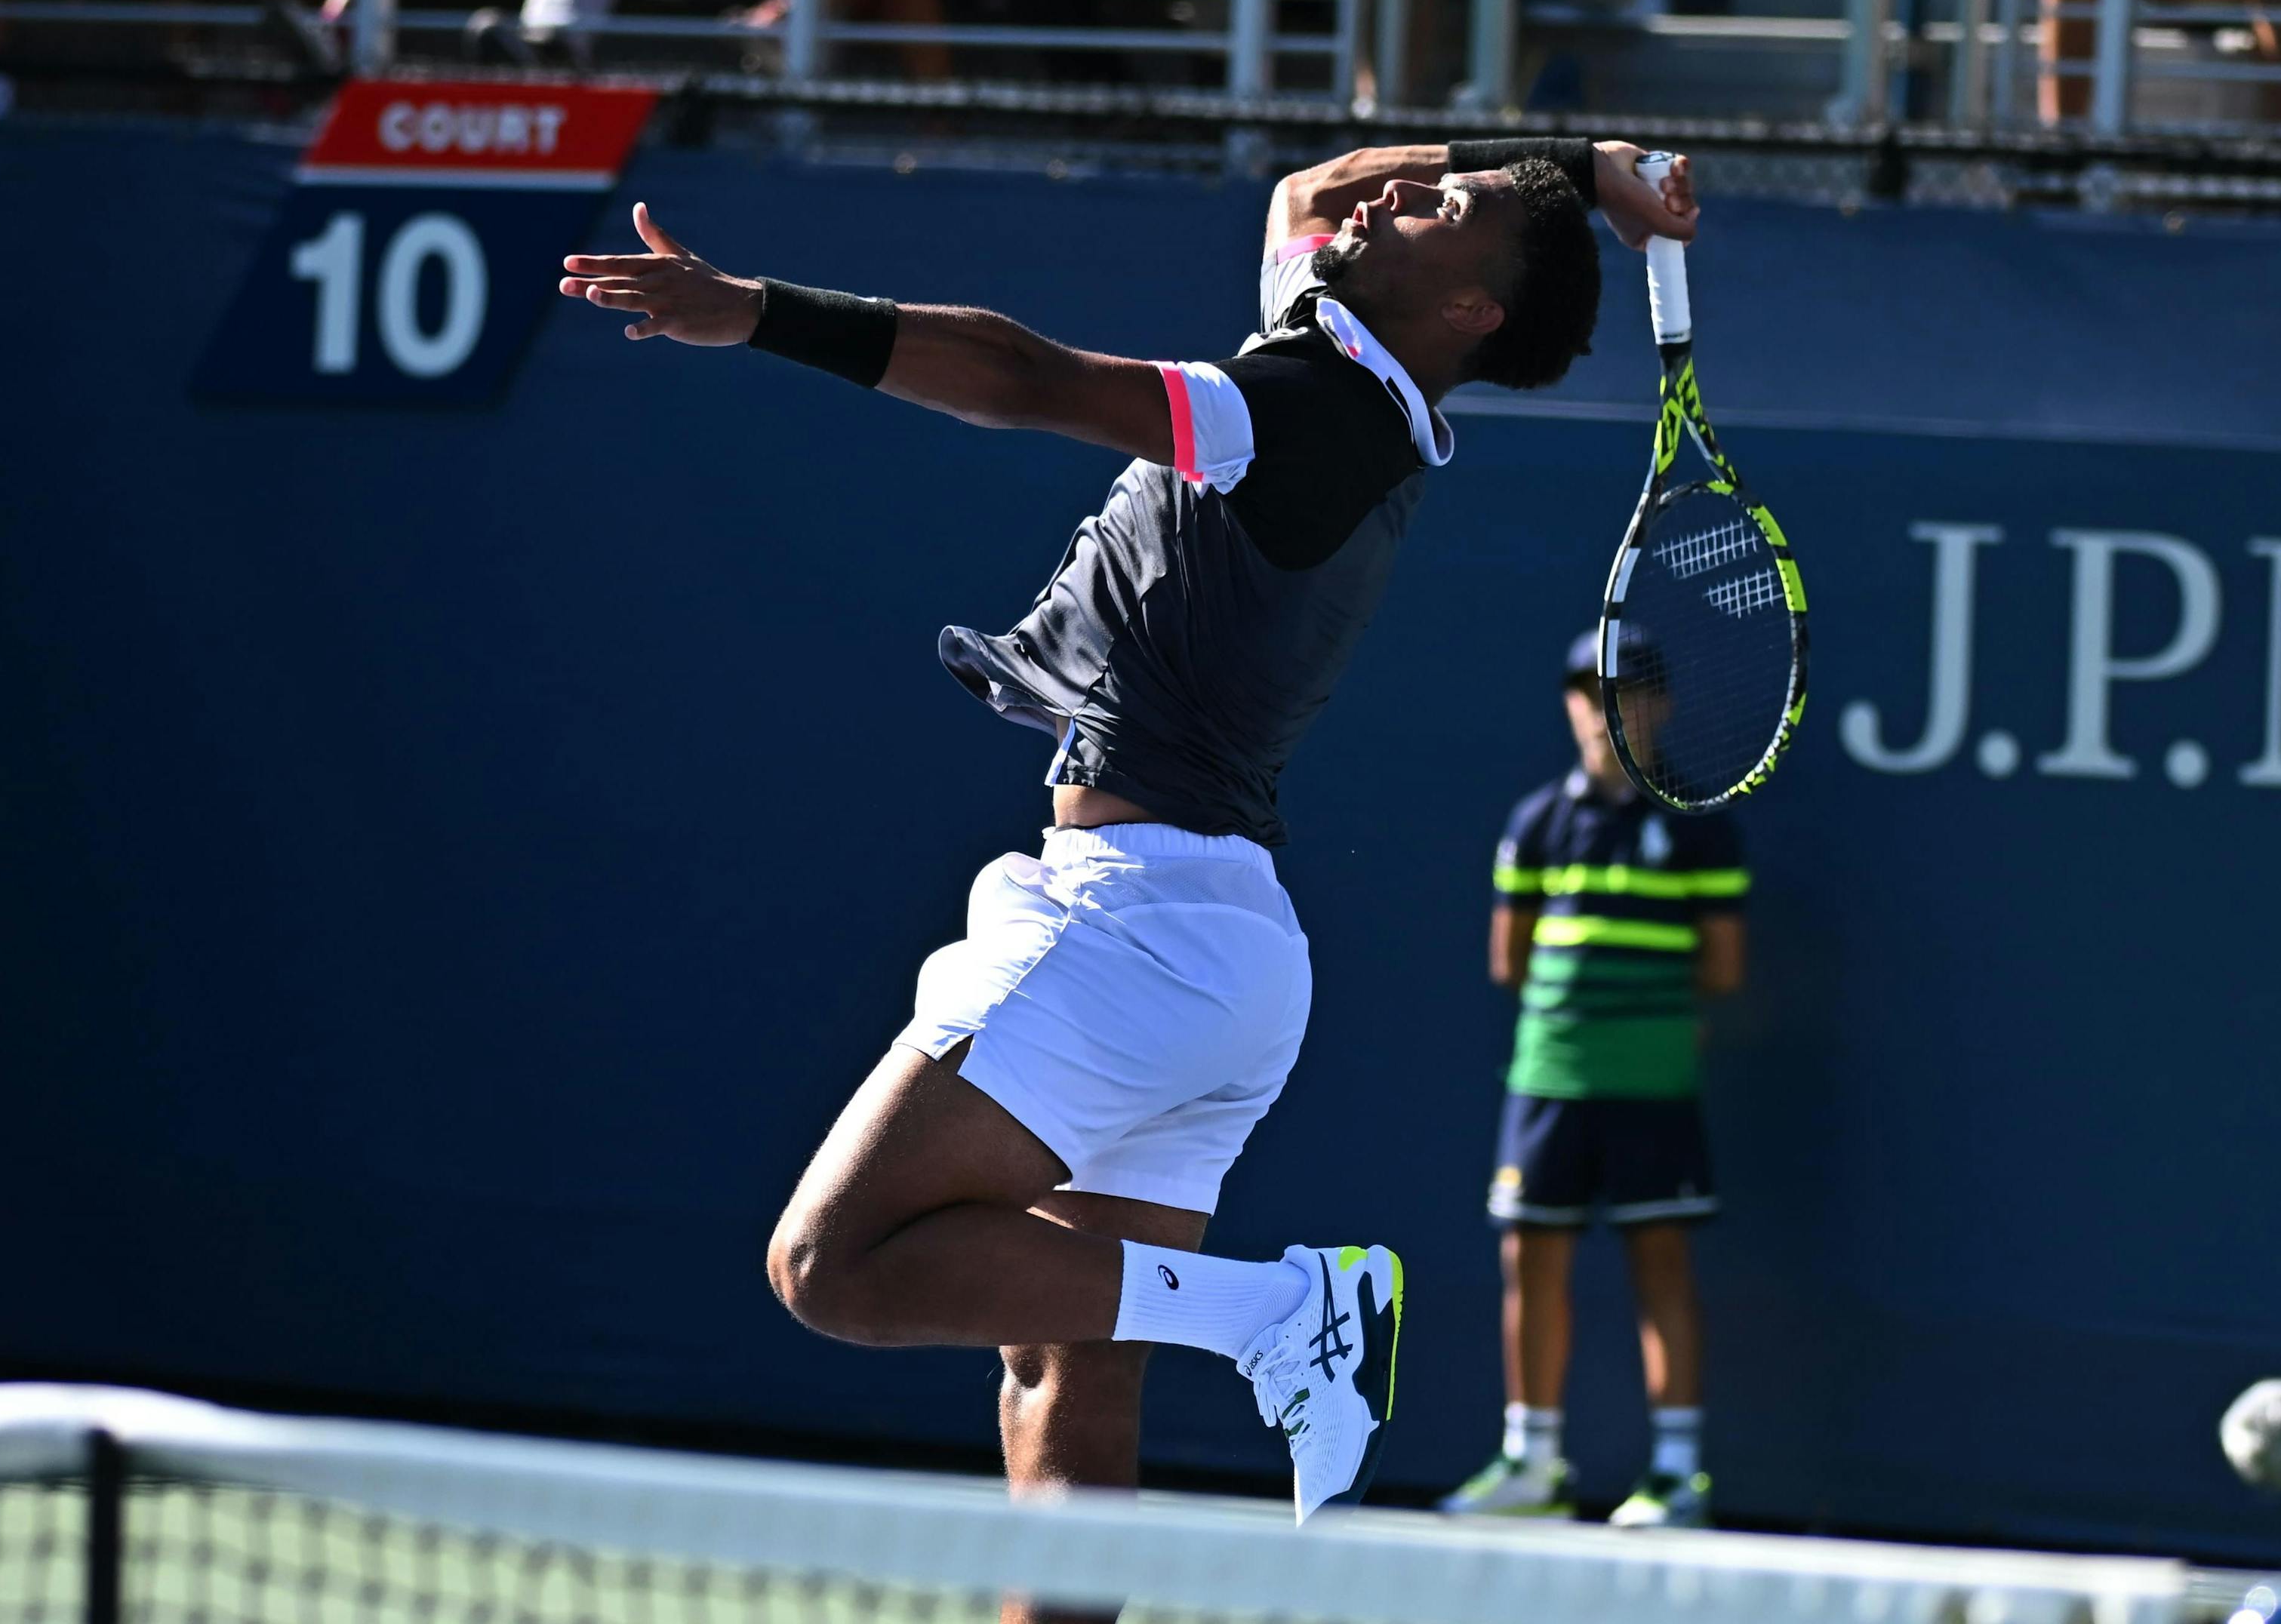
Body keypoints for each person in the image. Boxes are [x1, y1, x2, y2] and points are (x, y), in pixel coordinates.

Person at [555, 137, 1697, 1598]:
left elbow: (1024, 377)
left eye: (1439, 208)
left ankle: (1285, 1310)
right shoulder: (1345, 359)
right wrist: (1573, 163)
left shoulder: (1303, 412)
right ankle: (1248, 1339)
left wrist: (757, 311)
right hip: (1221, 957)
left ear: (1471, 307)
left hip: (1131, 938)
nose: (1390, 194)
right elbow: (1306, 191)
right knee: (1065, 1369)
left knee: (833, 1269)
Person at [1438, 628, 1745, 1530]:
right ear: (1573, 705)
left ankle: (1678, 1474)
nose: (1608, 709)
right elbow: (1511, 960)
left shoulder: (1701, 823)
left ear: (1662, 705)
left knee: (1661, 1261)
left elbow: (1724, 969)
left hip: (1652, 1086)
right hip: (1549, 1081)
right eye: (1590, 691)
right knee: (1528, 1258)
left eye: (1630, 690)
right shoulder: (1537, 822)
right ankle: (1533, 1465)